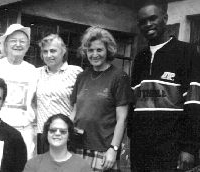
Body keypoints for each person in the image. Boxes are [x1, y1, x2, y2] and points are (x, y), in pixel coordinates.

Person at [128, 0, 200, 171]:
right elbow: (134, 104)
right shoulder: (140, 58)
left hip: (171, 148)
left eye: (152, 18)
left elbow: (194, 103)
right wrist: (132, 137)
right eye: (142, 22)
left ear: (165, 18)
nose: (148, 24)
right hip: (140, 148)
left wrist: (189, 148)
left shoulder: (187, 52)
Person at [70, 26, 133, 171]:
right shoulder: (82, 77)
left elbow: (122, 119)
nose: (94, 54)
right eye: (90, 50)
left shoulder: (119, 77)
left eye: (99, 50)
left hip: (103, 150)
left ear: (108, 51)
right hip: (78, 147)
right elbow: (74, 111)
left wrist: (113, 148)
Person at [0, 24, 38, 159]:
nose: (18, 44)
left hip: (23, 131)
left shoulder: (33, 71)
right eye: (13, 40)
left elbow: (35, 102)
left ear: (28, 46)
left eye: (22, 41)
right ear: (5, 44)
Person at [35, 34, 83, 154]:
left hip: (64, 133)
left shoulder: (76, 72)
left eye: (53, 51)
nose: (48, 55)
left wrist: (67, 124)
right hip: (43, 133)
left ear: (63, 51)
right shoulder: (36, 73)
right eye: (45, 51)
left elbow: (80, 104)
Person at [23, 113, 92, 172]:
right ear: (47, 134)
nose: (57, 133)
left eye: (63, 131)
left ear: (69, 136)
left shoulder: (83, 166)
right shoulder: (33, 165)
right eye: (53, 130)